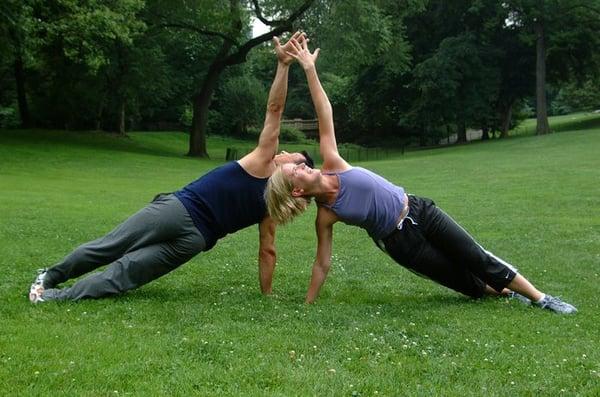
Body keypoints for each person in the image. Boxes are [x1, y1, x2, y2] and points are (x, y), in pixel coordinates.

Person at [265, 37, 577, 314]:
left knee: (475, 256)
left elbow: (325, 112)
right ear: (296, 192)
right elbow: (322, 263)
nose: (303, 163)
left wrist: (309, 69)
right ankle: (508, 293)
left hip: (418, 210)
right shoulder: (327, 215)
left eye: (299, 164)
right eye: (297, 170)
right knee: (465, 283)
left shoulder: (333, 162)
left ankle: (541, 298)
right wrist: (307, 305)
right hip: (401, 243)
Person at [28, 32, 314, 303]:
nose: (285, 153)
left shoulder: (263, 163)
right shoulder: (272, 206)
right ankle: (51, 293)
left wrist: (283, 65)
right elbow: (268, 249)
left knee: (112, 249)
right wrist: (267, 294)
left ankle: (50, 280)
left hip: (178, 212)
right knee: (127, 272)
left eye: (293, 158)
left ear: (295, 174)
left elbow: (274, 109)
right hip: (195, 239)